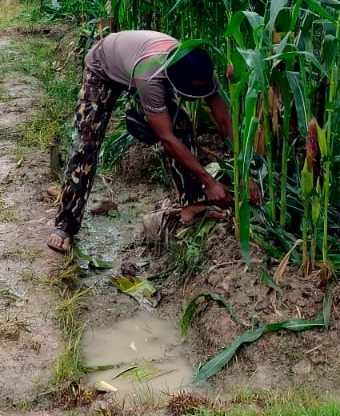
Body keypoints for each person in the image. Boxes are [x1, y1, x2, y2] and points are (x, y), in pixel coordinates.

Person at [48, 29, 257, 254]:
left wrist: (245, 169)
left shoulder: (200, 68)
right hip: (104, 65)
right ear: (174, 83)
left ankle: (193, 205)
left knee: (182, 125)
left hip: (136, 60)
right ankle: (65, 225)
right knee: (86, 145)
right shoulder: (151, 78)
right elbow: (166, 139)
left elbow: (224, 121)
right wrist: (209, 182)